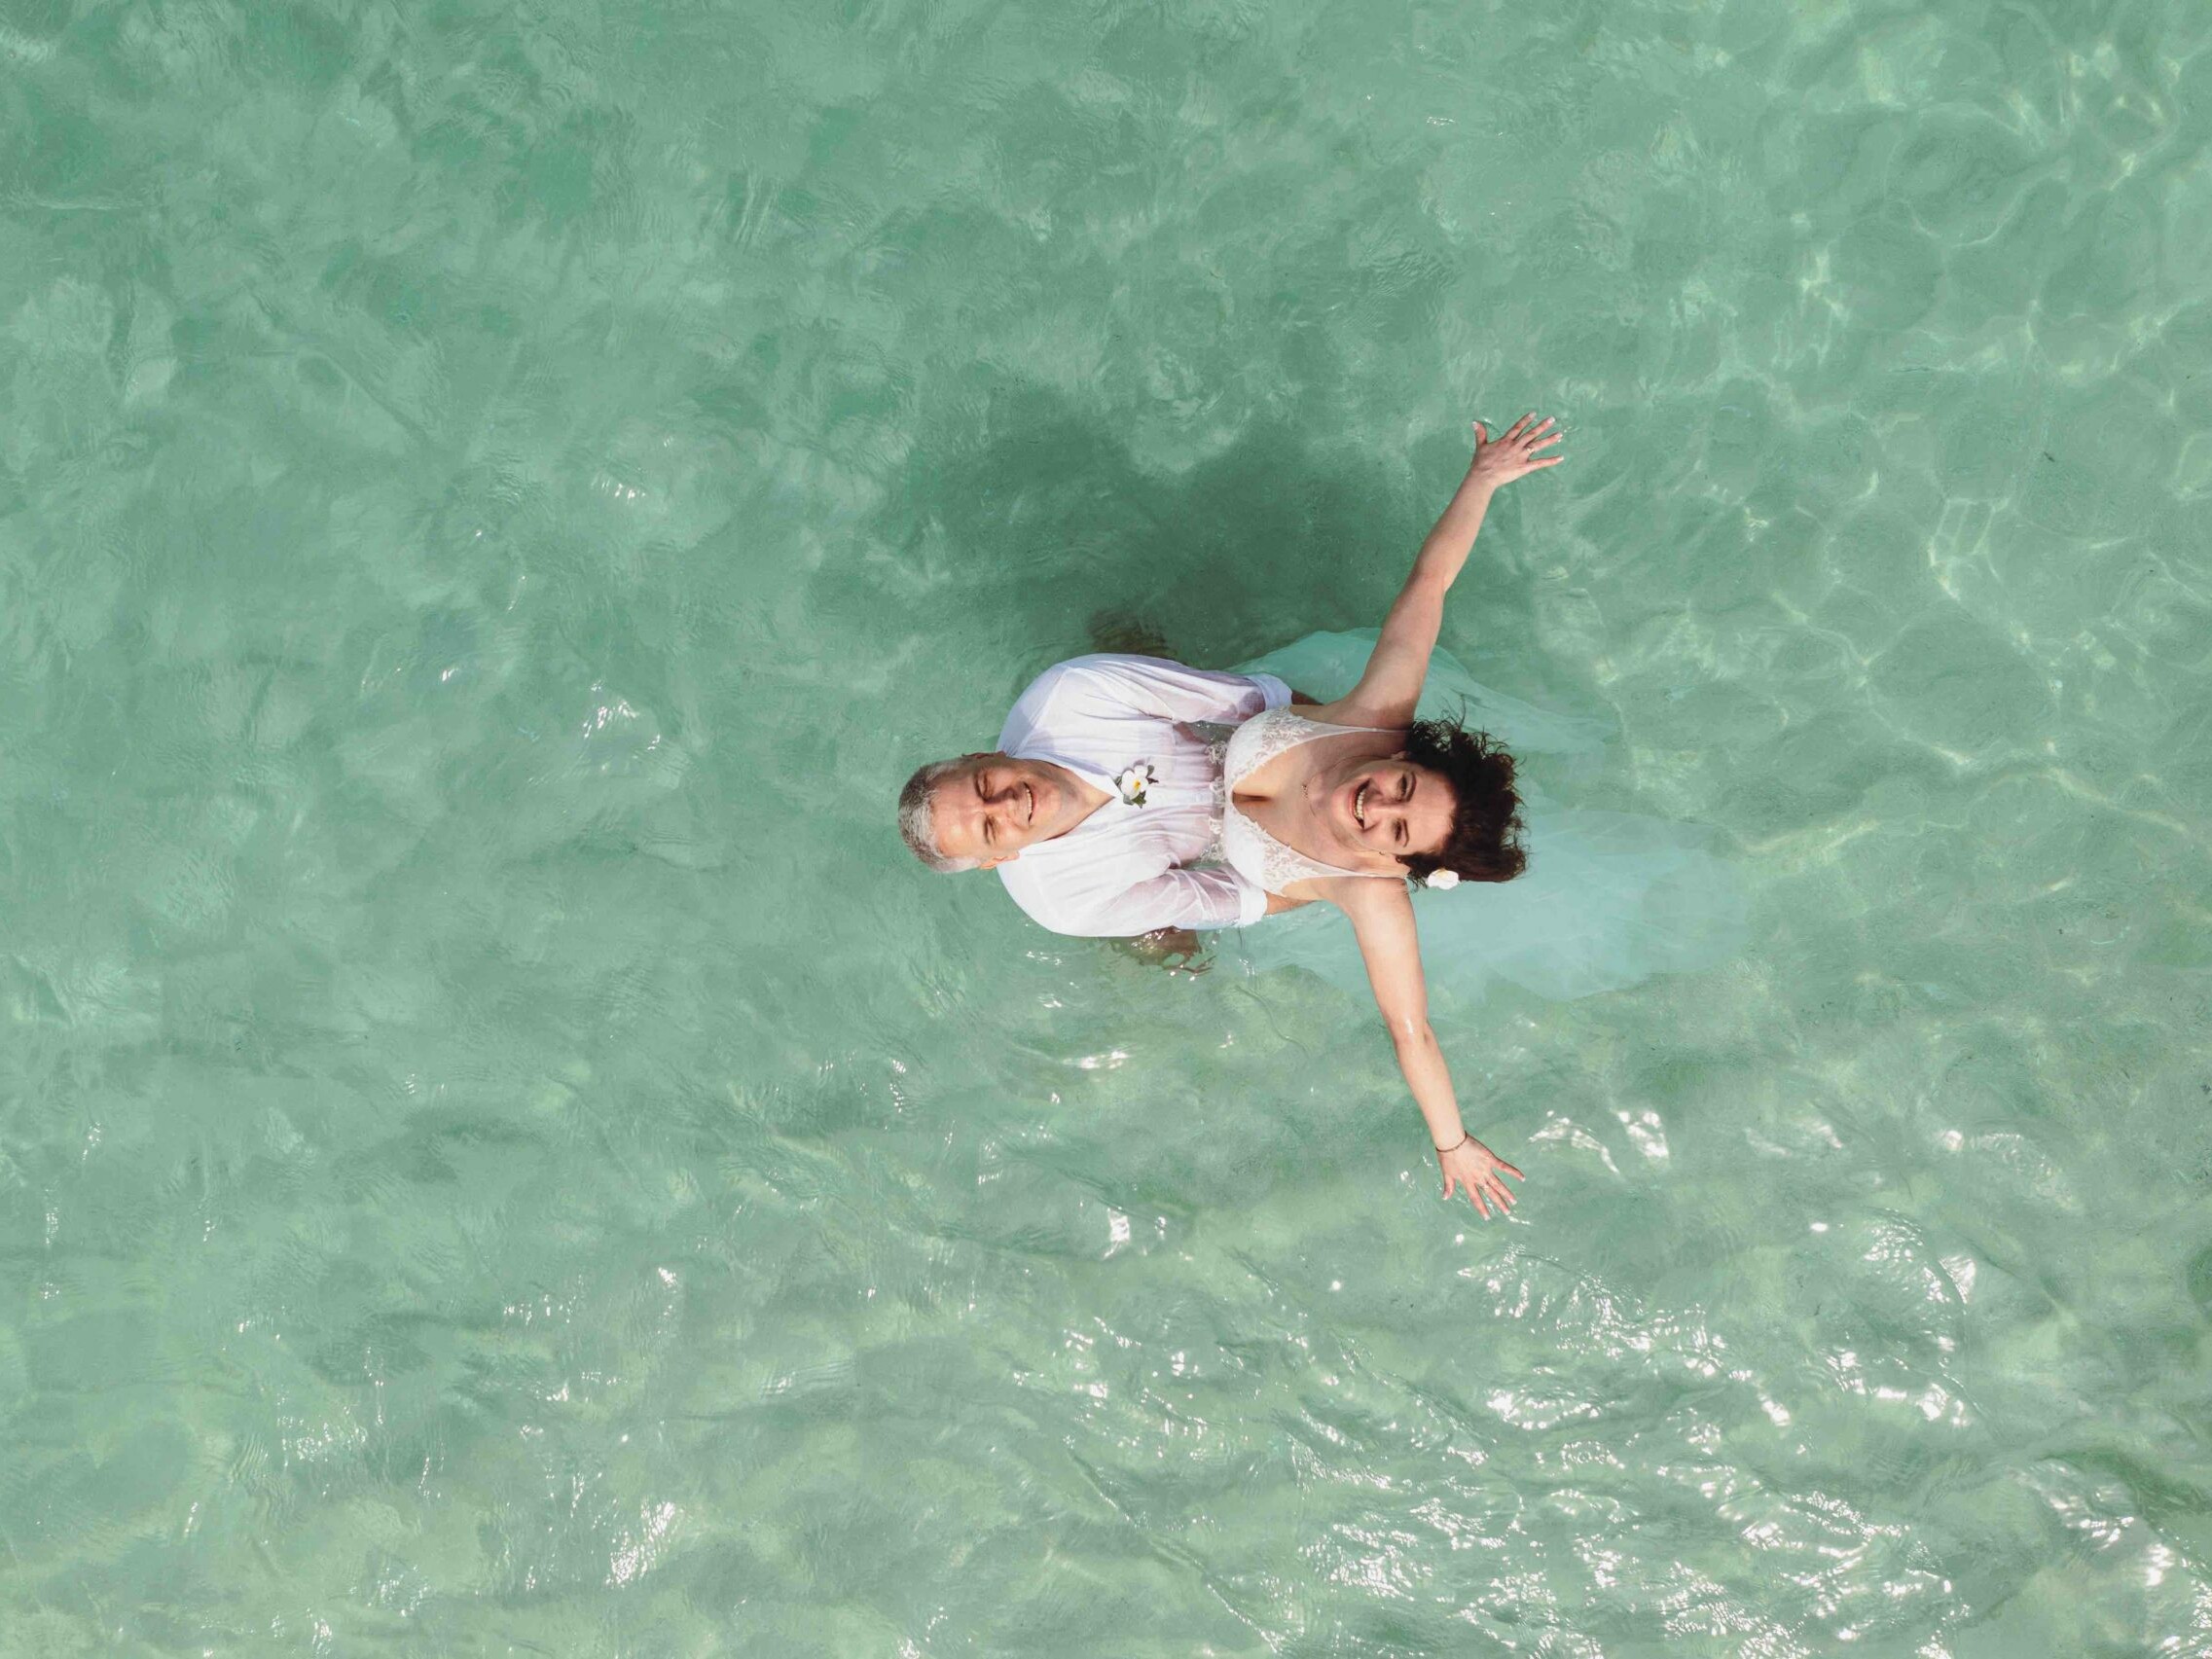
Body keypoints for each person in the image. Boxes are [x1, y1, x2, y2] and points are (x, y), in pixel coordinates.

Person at [896, 654, 1311, 940]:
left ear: (982, 756)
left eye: (985, 784)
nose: (1007, 804)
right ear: (998, 859)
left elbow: (1263, 701)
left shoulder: (1075, 692)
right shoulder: (1065, 904)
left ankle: (1131, 645)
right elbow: (1248, 899)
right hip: (1213, 852)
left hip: (1220, 742)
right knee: (1164, 943)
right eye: (990, 828)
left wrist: (1343, 747)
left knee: (1151, 657)